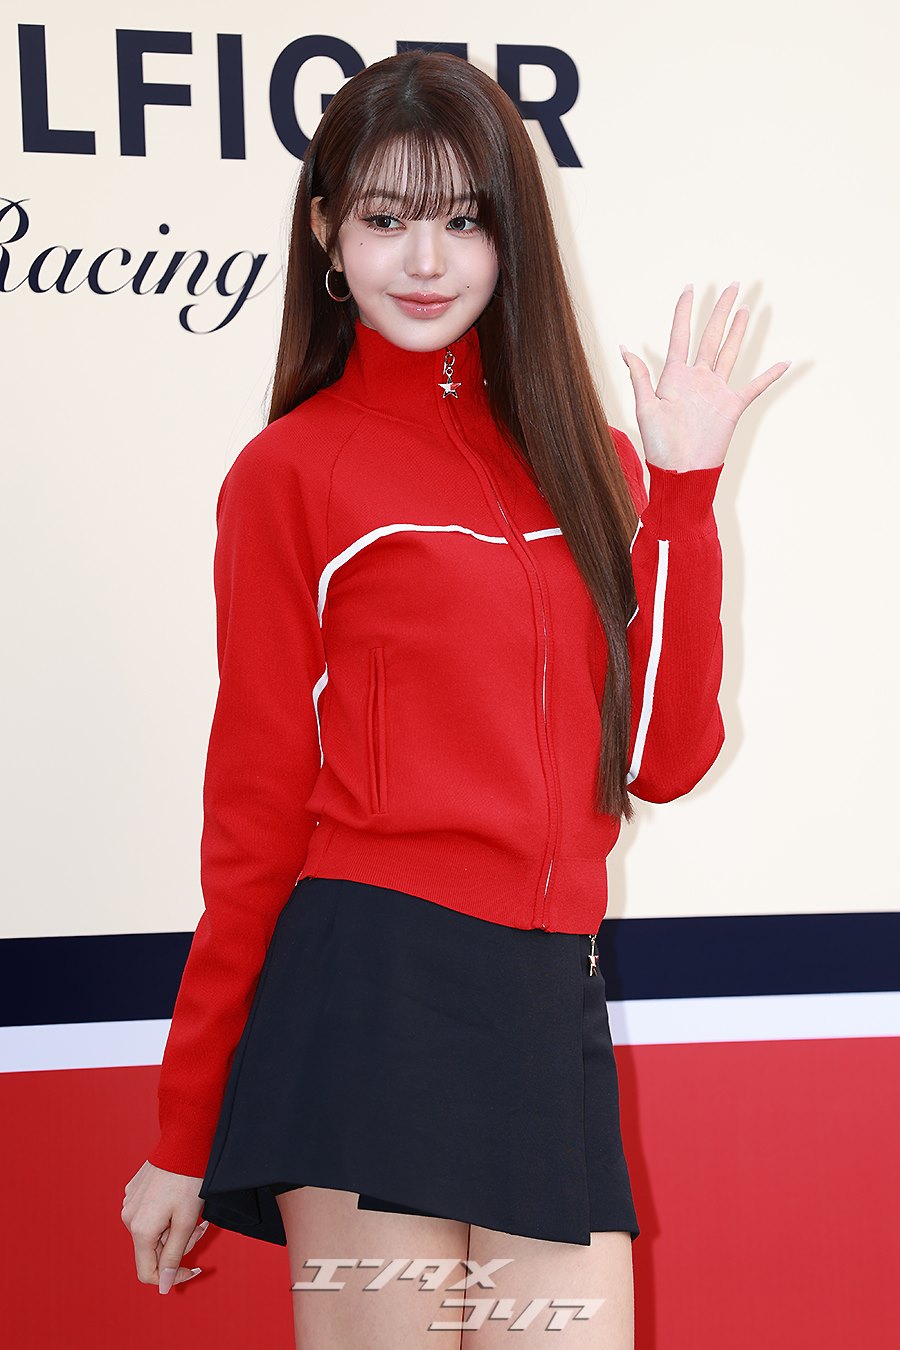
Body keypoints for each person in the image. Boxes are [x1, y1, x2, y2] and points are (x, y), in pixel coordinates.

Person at [120, 49, 790, 1348]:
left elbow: (659, 758)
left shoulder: (589, 462)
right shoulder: (292, 473)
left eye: (464, 218)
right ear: (328, 231)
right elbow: (251, 820)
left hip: (545, 997)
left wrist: (683, 494)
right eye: (387, 217)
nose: (426, 259)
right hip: (369, 999)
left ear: (509, 235)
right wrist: (184, 1130)